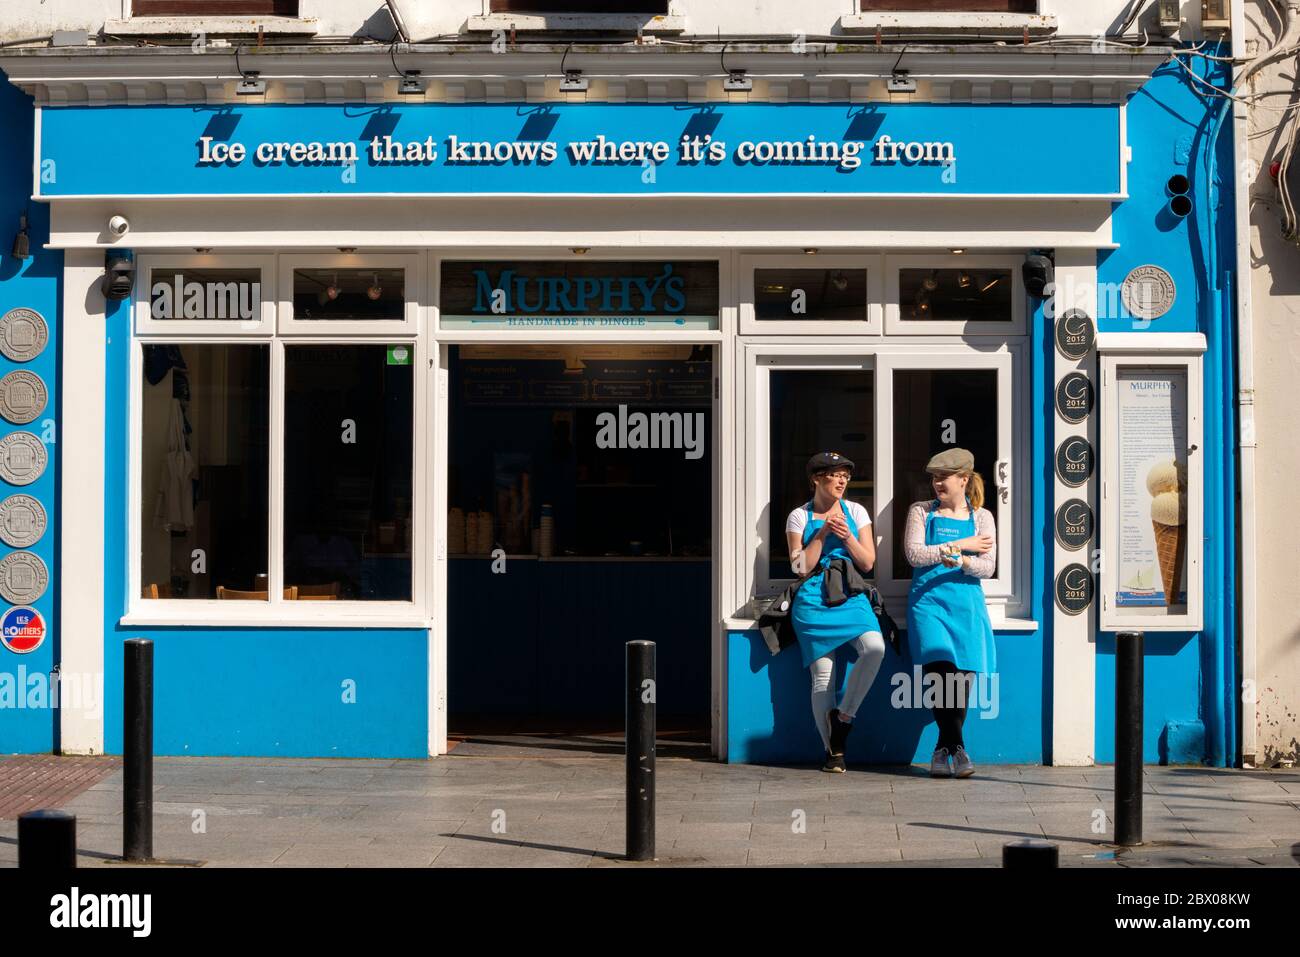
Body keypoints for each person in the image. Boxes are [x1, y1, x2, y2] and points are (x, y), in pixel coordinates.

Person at [785, 452, 887, 773]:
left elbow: (868, 562)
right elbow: (800, 566)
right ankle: (833, 751)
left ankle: (843, 719)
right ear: (817, 478)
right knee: (823, 677)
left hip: (850, 592)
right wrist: (823, 533)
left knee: (874, 648)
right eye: (835, 474)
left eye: (846, 475)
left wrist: (846, 536)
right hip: (813, 598)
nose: (842, 480)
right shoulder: (798, 517)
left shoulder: (856, 511)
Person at [903, 448, 997, 779]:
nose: (937, 483)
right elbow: (915, 554)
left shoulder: (982, 518)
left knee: (961, 679)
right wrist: (963, 544)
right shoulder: (921, 511)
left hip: (966, 607)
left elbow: (987, 567)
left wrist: (963, 559)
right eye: (934, 477)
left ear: (964, 479)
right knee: (941, 669)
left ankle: (944, 751)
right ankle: (958, 748)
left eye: (944, 477)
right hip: (928, 605)